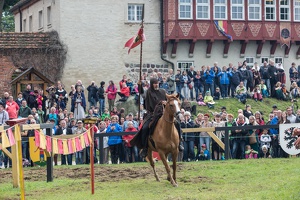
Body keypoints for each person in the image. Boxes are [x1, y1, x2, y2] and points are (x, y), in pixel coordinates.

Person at [130, 78, 184, 158]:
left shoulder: (162, 91)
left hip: (163, 114)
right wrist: (140, 85)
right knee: (145, 128)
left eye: (157, 83)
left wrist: (166, 102)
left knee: (177, 124)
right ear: (151, 84)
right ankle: (145, 148)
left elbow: (169, 99)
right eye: (154, 83)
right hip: (152, 115)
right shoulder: (148, 92)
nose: (156, 84)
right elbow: (142, 93)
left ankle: (179, 142)